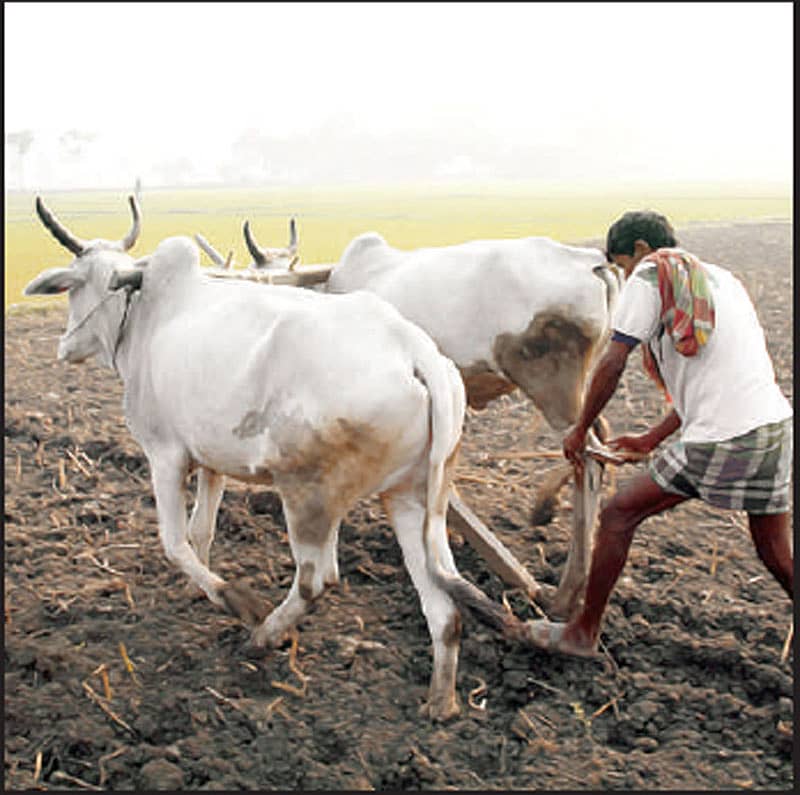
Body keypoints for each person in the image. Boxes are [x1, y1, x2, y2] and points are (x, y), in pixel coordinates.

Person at [527, 210, 793, 658]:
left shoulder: (653, 274)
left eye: (622, 265)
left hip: (724, 439)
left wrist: (580, 428)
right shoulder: (722, 281)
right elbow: (713, 376)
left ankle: (580, 633)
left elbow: (613, 360)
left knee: (618, 515)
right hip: (772, 428)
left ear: (640, 250)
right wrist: (651, 438)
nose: (625, 276)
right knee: (775, 552)